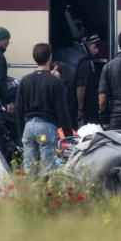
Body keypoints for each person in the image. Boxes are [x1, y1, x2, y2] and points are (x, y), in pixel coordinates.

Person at [16, 43, 74, 175]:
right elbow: (62, 110)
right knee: (48, 168)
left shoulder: (25, 80)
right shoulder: (55, 82)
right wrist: (68, 136)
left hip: (29, 129)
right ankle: (46, 194)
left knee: (29, 168)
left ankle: (28, 193)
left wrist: (20, 133)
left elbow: (19, 110)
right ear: (50, 57)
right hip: (45, 131)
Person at [75, 34, 103, 126]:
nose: (97, 51)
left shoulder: (85, 59)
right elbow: (81, 87)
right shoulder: (85, 62)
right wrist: (80, 108)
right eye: (94, 47)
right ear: (86, 45)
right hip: (87, 108)